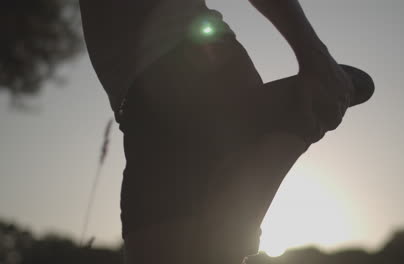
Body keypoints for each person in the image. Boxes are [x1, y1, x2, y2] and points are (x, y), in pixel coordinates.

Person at [79, 0, 374, 263]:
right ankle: (296, 121)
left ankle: (299, 118)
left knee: (215, 248)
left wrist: (314, 54)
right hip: (138, 111)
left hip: (192, 64)